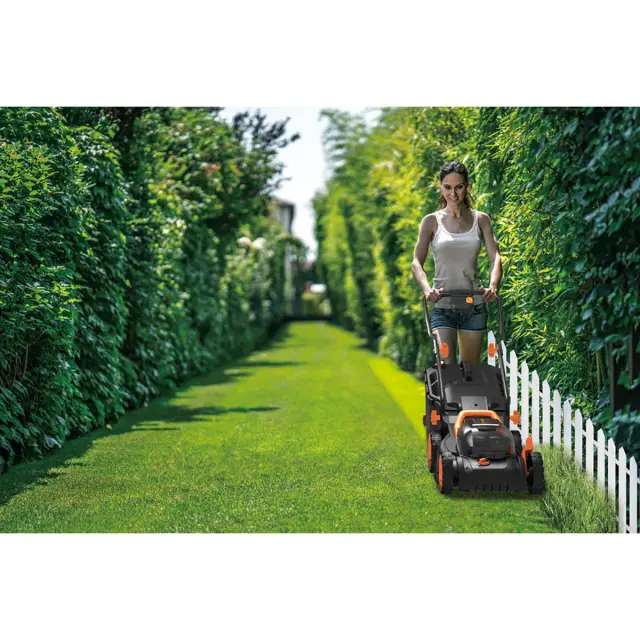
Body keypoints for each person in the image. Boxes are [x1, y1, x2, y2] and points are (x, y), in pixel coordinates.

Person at [411, 161, 502, 365]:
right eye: (448, 187)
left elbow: (496, 257)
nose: (453, 193)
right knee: (446, 366)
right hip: (442, 305)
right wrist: (427, 290)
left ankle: (467, 384)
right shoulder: (431, 221)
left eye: (459, 187)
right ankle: (445, 385)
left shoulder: (481, 220)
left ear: (467, 186)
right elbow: (416, 263)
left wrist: (493, 286)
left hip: (474, 305)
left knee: (470, 371)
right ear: (441, 187)